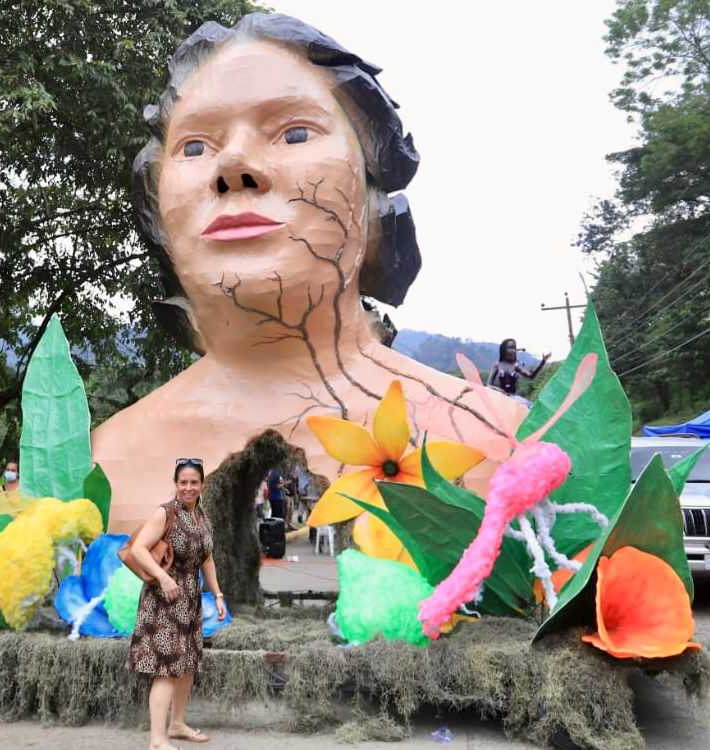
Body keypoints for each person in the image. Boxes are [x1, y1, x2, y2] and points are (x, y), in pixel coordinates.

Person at [92, 13, 528, 530]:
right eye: (194, 147)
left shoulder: (501, 441)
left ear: (375, 195)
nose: (234, 166)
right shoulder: (99, 463)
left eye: (294, 133)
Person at [126, 458, 226, 750]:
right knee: (166, 669)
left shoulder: (200, 515)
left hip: (190, 599)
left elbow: (206, 558)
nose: (188, 487)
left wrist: (218, 594)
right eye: (183, 482)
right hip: (164, 600)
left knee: (186, 664)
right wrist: (163, 577)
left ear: (201, 485)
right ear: (176, 484)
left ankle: (177, 723)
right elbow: (139, 549)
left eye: (194, 482)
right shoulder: (164, 513)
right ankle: (157, 745)